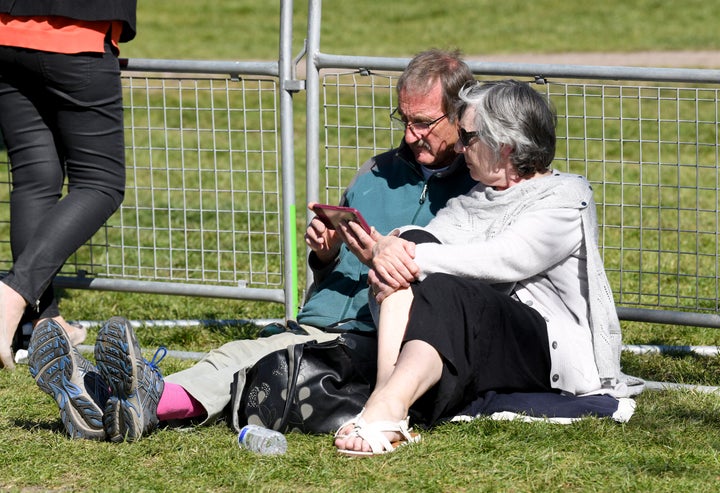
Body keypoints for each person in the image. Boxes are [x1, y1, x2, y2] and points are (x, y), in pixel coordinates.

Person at [27, 49, 478, 441]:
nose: (409, 135)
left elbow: (460, 292)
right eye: (404, 120)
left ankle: (113, 395)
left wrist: (385, 259)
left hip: (378, 338)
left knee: (251, 362)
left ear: (459, 117)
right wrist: (325, 252)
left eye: (423, 123)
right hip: (322, 321)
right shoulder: (375, 171)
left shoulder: (476, 189)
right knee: (236, 357)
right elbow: (332, 269)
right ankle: (113, 399)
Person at [334, 79, 643, 456]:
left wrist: (406, 255)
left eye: (467, 137)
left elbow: (506, 258)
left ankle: (388, 406)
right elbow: (429, 239)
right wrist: (388, 247)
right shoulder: (477, 197)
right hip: (488, 339)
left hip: (550, 351)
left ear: (505, 145)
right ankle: (385, 400)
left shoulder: (566, 198)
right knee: (407, 264)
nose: (459, 147)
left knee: (441, 282)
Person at [0, 2, 137, 370]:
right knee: (101, 183)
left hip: (5, 32)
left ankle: (45, 321)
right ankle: (12, 295)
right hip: (76, 36)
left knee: (34, 178)